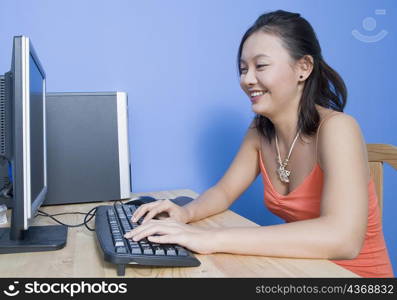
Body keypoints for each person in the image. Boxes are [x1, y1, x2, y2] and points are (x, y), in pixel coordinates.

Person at [124, 10, 393, 278]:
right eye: (243, 69)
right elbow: (224, 192)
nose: (247, 79)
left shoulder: (338, 128)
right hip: (301, 269)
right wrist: (185, 213)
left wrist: (210, 238)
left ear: (304, 68)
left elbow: (343, 239)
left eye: (260, 66)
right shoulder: (260, 130)